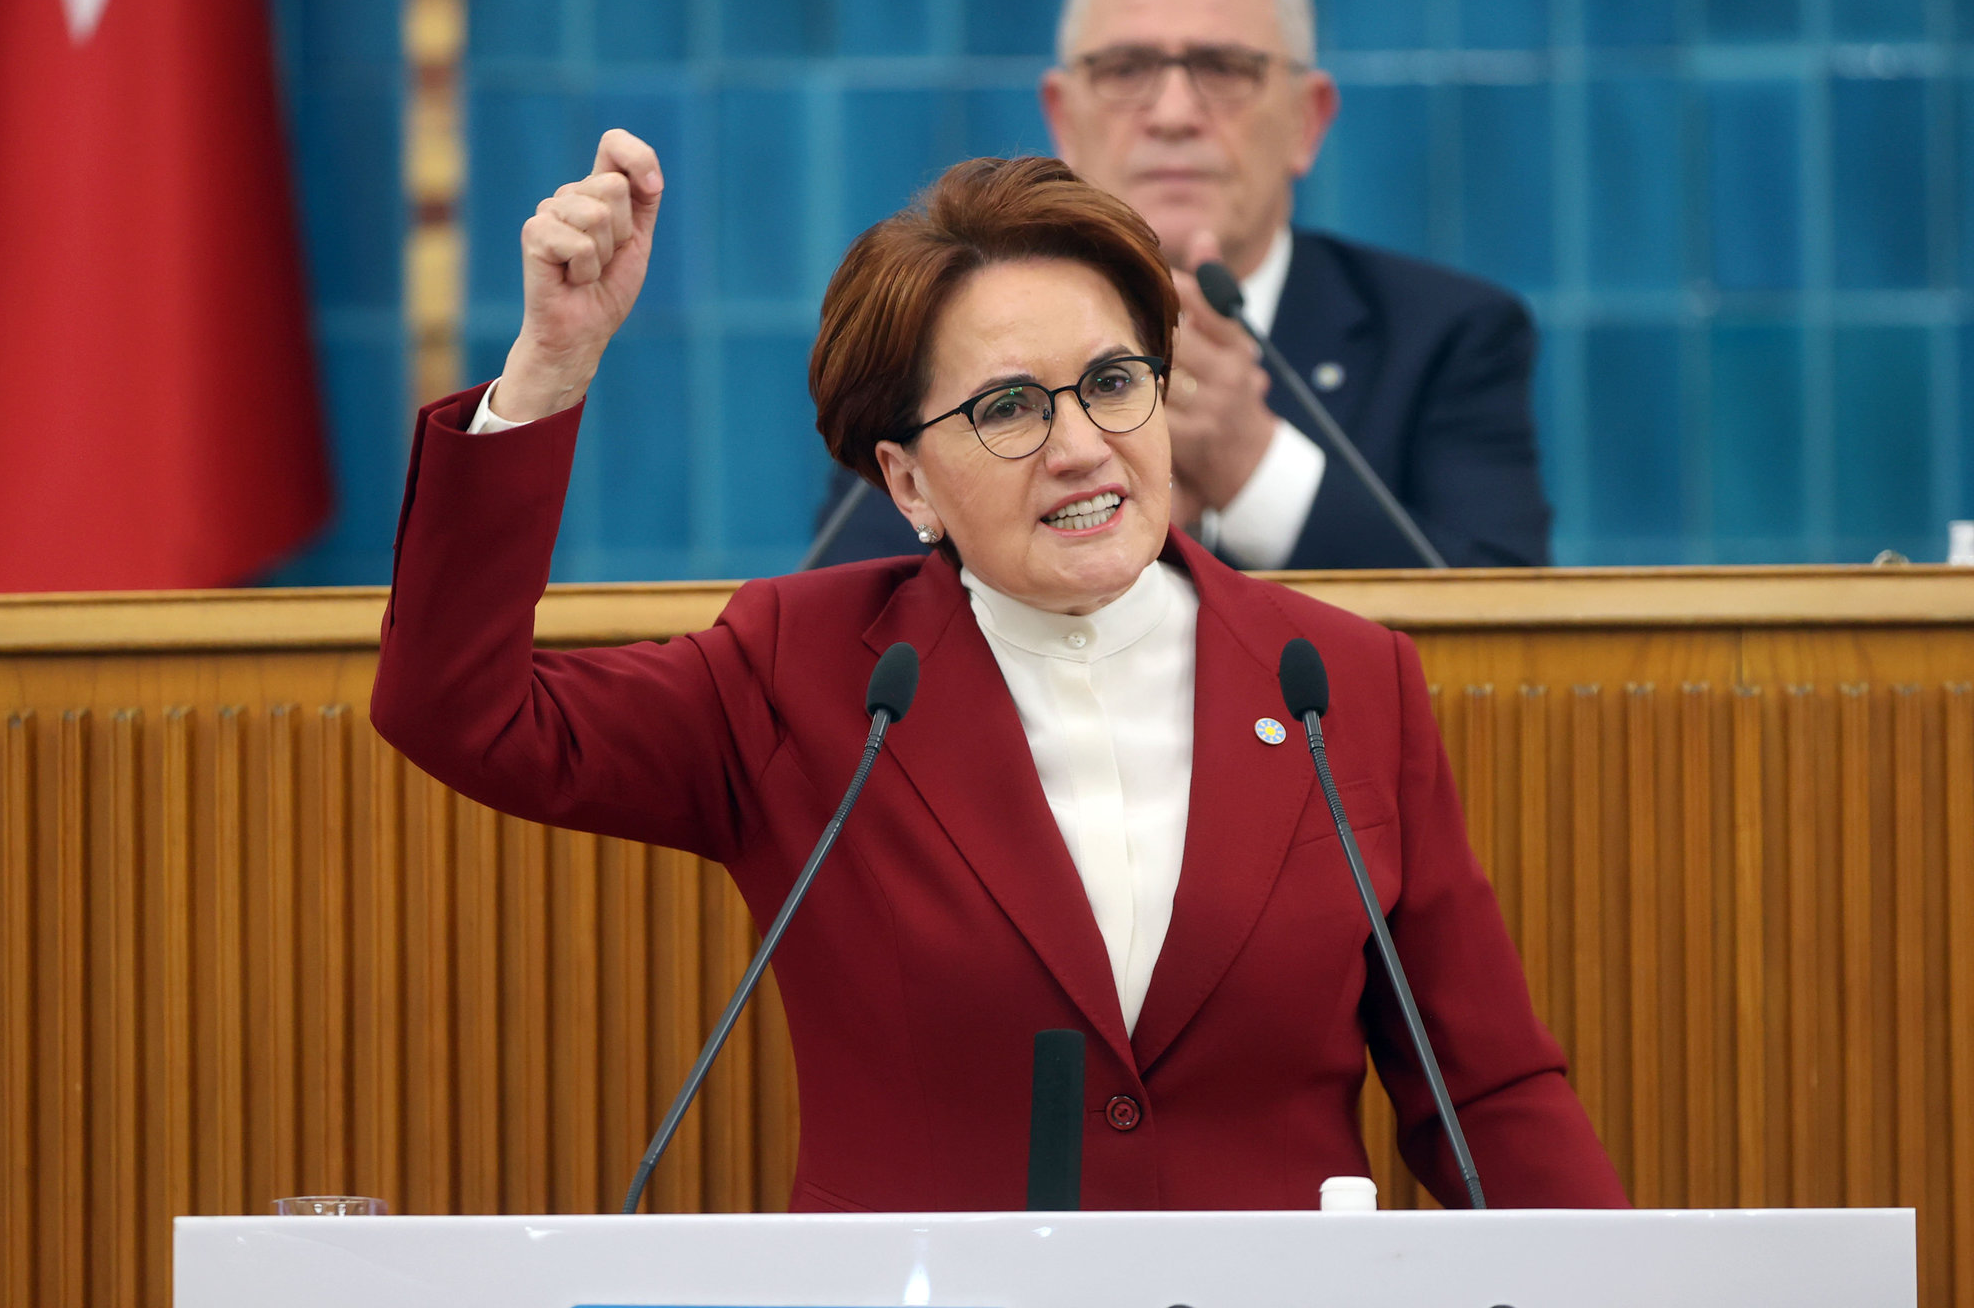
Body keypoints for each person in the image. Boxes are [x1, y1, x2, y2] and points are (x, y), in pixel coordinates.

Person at [371, 129, 1623, 1212]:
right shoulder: (801, 674)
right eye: (1009, 408)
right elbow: (461, 710)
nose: (1081, 448)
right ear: (906, 481)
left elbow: (1484, 1092)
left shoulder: (1335, 681)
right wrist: (550, 368)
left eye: (1114, 383)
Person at [811, 0, 1551, 572]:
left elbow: (1508, 630)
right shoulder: (944, 327)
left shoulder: (1448, 333)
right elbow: (852, 609)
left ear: (1307, 119)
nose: (1172, 114)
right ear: (1063, 118)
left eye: (1223, 69)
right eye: (1126, 69)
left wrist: (1253, 464)